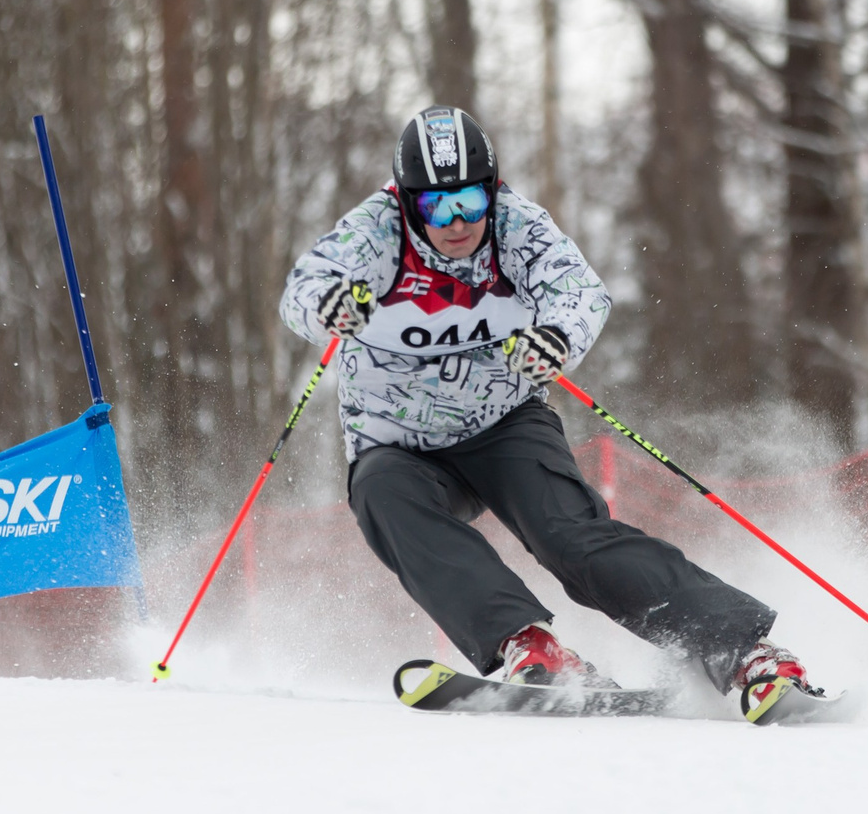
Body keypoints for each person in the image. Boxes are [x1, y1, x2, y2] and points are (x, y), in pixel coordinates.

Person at [281, 105, 821, 714]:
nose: (457, 222)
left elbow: (581, 292)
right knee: (379, 493)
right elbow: (304, 286)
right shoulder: (374, 232)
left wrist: (557, 339)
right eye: (437, 206)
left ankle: (749, 654)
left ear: (490, 191)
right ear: (407, 203)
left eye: (470, 202)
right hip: (396, 442)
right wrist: (325, 306)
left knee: (570, 538)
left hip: (503, 426)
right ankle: (527, 645)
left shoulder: (517, 226)